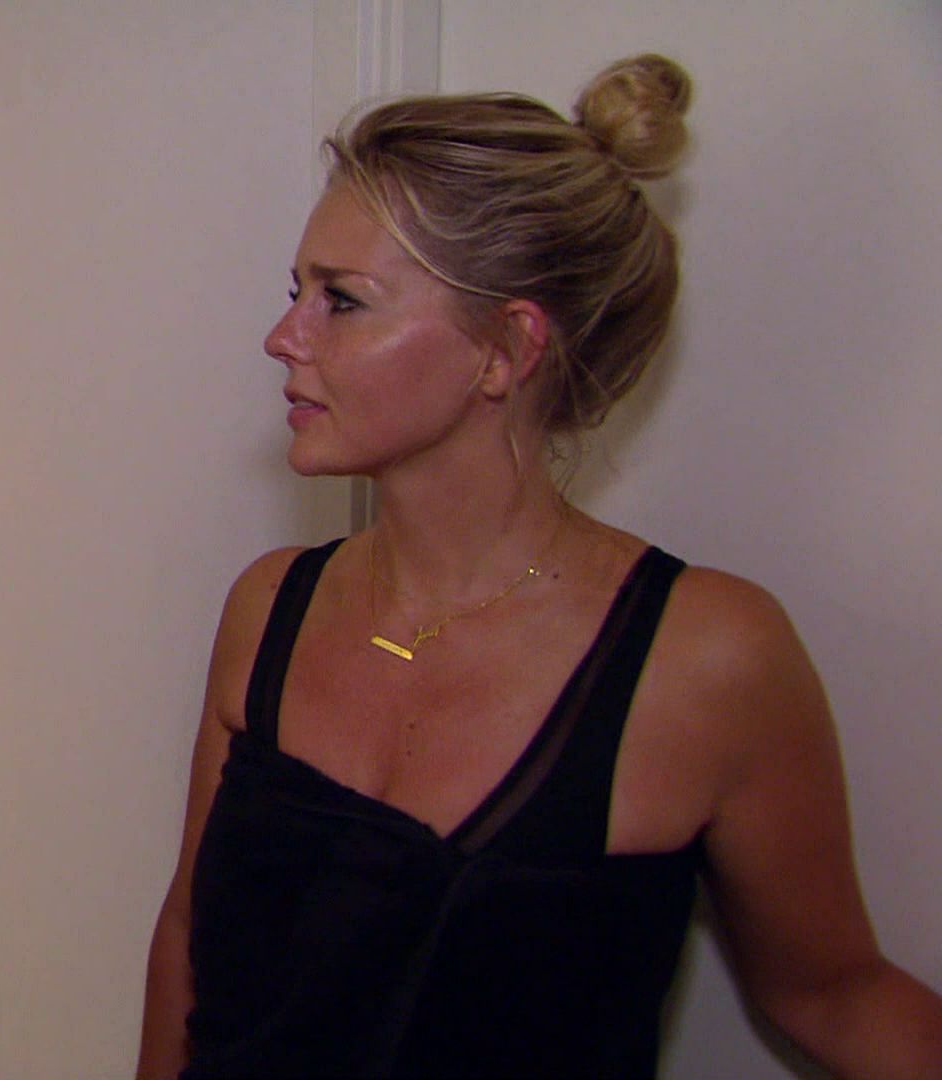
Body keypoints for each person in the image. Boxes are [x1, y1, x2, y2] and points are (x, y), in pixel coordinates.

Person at [137, 54, 942, 1079]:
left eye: (342, 301)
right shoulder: (269, 607)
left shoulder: (706, 658)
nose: (280, 337)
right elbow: (187, 939)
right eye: (296, 292)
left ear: (505, 350)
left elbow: (835, 993)